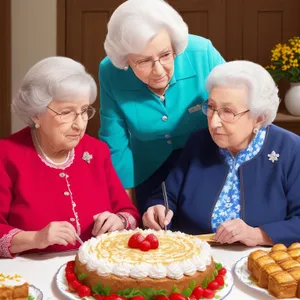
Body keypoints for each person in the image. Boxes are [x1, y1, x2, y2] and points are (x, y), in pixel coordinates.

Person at [143, 60, 300, 247]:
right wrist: (157, 208)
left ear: (259, 118)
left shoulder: (290, 148)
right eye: (211, 107)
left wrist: (258, 234)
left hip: (263, 262)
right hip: (194, 257)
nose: (214, 122)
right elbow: (166, 195)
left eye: (228, 112)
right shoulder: (198, 142)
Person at [0, 57, 139, 258]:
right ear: (35, 114)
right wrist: (36, 238)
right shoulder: (6, 155)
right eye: (66, 113)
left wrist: (120, 221)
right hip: (30, 275)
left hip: (94, 270)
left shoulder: (97, 151)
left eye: (84, 111)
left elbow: (128, 212)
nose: (80, 124)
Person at [99, 0, 225, 214]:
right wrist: (126, 208)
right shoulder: (111, 72)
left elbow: (237, 106)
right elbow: (115, 141)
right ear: (126, 60)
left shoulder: (202, 53)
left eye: (166, 55)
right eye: (144, 61)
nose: (158, 70)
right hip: (148, 169)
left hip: (207, 162)